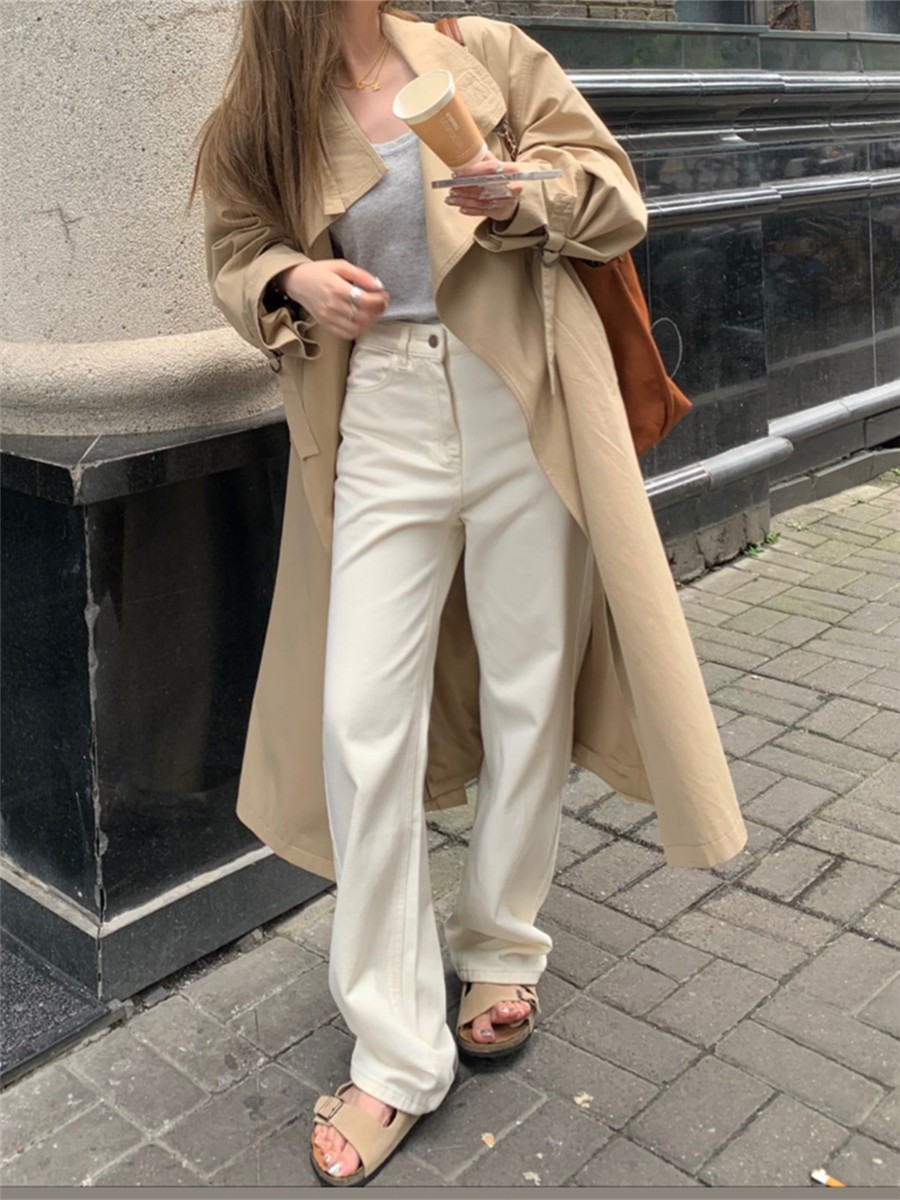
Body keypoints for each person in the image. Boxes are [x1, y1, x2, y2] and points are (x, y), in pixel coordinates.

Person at [193, 0, 747, 1185]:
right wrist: (294, 277)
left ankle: (501, 944)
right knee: (359, 721)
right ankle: (395, 1050)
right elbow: (235, 250)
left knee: (528, 687)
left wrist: (523, 194)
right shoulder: (265, 106)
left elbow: (616, 195)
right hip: (380, 409)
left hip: (519, 394)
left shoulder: (483, 52)